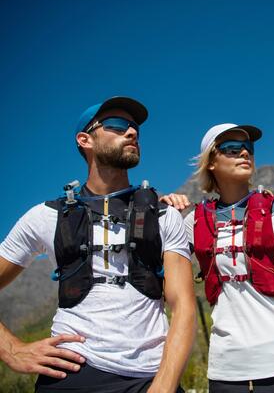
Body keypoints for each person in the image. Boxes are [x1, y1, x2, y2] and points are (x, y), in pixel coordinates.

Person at [0, 97, 197, 393]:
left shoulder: (165, 215)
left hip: (152, 378)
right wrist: (11, 350)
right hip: (71, 374)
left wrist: (165, 386)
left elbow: (184, 306)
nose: (131, 133)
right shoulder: (44, 216)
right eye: (117, 126)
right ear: (85, 140)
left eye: (135, 129)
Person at [164, 123, 274, 393]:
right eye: (232, 149)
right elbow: (162, 278)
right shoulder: (193, 222)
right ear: (211, 161)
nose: (244, 153)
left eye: (249, 149)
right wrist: (166, 213)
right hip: (226, 370)